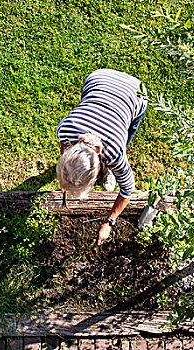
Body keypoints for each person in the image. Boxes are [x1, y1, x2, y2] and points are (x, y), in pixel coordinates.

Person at [56, 69, 147, 246]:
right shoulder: (66, 129)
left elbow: (128, 191)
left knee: (126, 136)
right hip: (97, 78)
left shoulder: (114, 152)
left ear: (98, 168)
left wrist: (109, 222)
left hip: (136, 92)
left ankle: (110, 172)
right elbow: (64, 148)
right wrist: (67, 178)